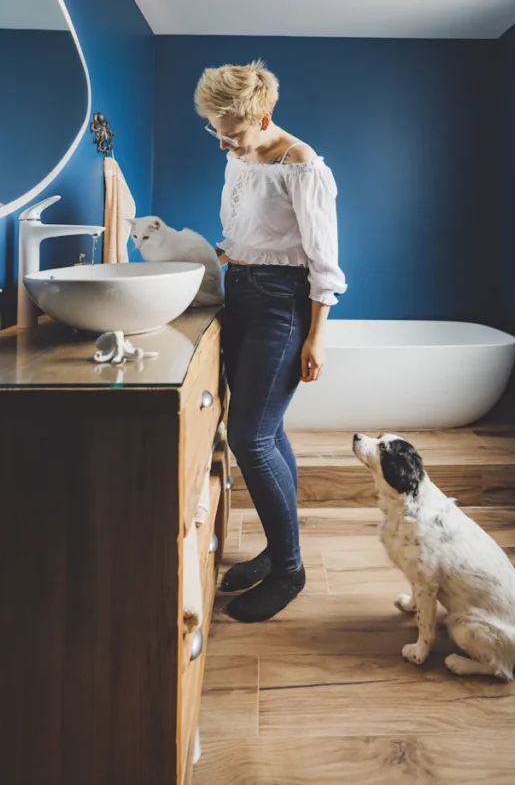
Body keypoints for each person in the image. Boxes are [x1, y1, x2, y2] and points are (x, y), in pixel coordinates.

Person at [195, 60, 347, 622]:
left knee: (251, 440)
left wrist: (317, 337)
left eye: (232, 133)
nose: (224, 143)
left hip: (282, 307)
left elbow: (323, 264)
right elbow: (247, 234)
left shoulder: (301, 166)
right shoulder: (240, 156)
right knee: (267, 430)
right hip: (241, 294)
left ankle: (290, 568)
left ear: (263, 117)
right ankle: (277, 549)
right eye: (217, 131)